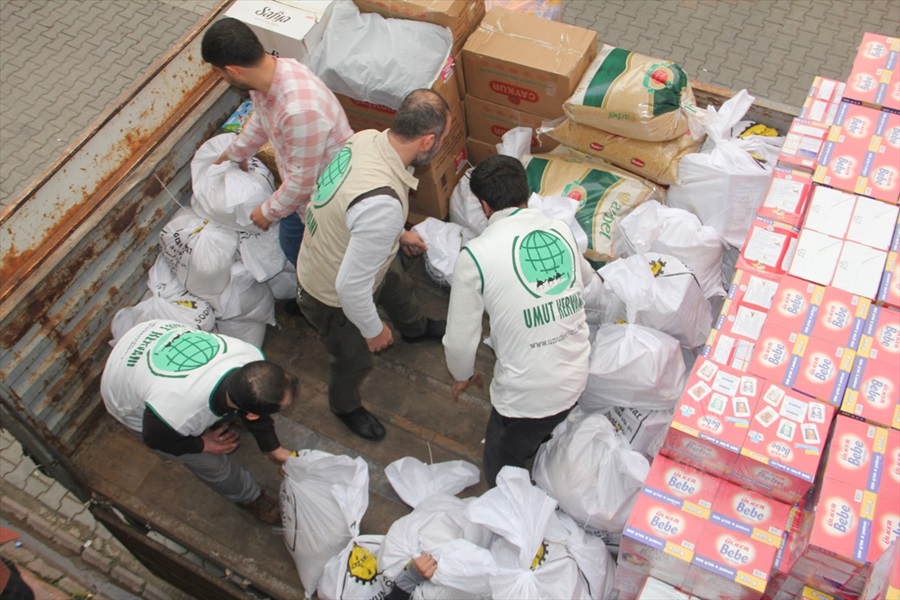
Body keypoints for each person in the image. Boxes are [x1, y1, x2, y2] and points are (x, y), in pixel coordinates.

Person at [296, 89, 451, 441]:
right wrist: (372, 330)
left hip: (350, 255)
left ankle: (414, 329)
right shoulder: (382, 204)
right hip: (331, 293)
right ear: (428, 141)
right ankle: (345, 405)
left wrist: (397, 233)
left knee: (398, 286)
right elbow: (349, 288)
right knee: (354, 359)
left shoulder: (368, 139)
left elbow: (358, 208)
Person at [442, 155, 596, 487]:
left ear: (484, 206)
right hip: (577, 374)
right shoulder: (559, 230)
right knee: (542, 427)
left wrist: (463, 374)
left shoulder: (475, 256)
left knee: (501, 457)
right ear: (526, 192)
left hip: (526, 398)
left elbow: (459, 340)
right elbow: (590, 285)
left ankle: (508, 497)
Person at [100, 319, 298, 525]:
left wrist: (273, 449)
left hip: (148, 335)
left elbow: (257, 407)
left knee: (219, 414)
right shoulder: (178, 415)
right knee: (212, 464)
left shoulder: (251, 358)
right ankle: (249, 497)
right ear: (250, 413)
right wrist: (203, 444)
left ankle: (222, 420)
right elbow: (155, 439)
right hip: (121, 391)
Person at [201, 17, 353, 266]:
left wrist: (266, 212)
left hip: (329, 198)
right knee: (292, 245)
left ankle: (333, 298)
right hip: (305, 192)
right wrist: (235, 153)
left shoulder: (299, 110)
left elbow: (302, 183)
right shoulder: (270, 76)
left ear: (233, 71)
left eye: (218, 72)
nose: (220, 78)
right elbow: (262, 120)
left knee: (331, 259)